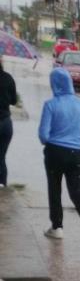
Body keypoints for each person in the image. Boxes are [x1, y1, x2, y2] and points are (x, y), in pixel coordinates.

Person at [38, 68, 80, 250]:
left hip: (55, 152)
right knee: (77, 194)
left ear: (54, 84)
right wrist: (76, 140)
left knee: (54, 189)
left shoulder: (50, 104)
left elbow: (43, 135)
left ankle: (57, 228)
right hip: (76, 154)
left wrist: (54, 141)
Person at [0, 57, 17, 188]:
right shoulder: (8, 78)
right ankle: (2, 186)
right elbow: (14, 101)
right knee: (1, 157)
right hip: (6, 123)